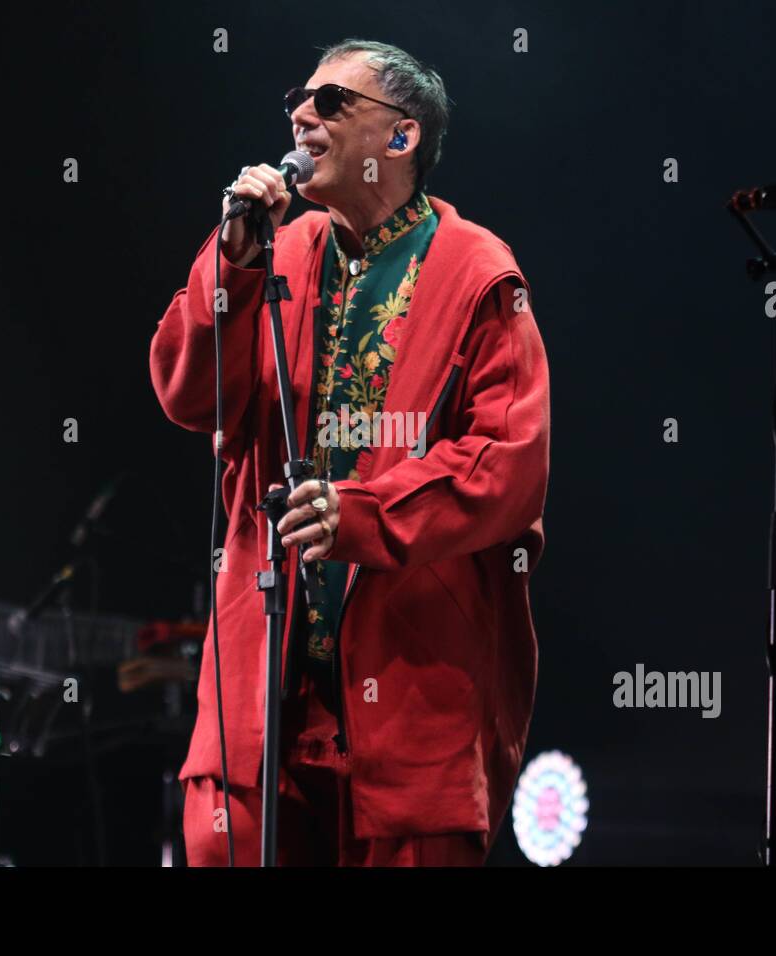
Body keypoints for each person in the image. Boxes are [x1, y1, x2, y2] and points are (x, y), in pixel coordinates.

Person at [152, 39, 550, 866]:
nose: (300, 114)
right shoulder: (276, 249)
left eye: (331, 103)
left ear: (400, 140)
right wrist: (230, 260)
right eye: (298, 99)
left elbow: (507, 464)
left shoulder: (478, 273)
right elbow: (190, 396)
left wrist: (365, 514)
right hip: (265, 677)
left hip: (411, 677)